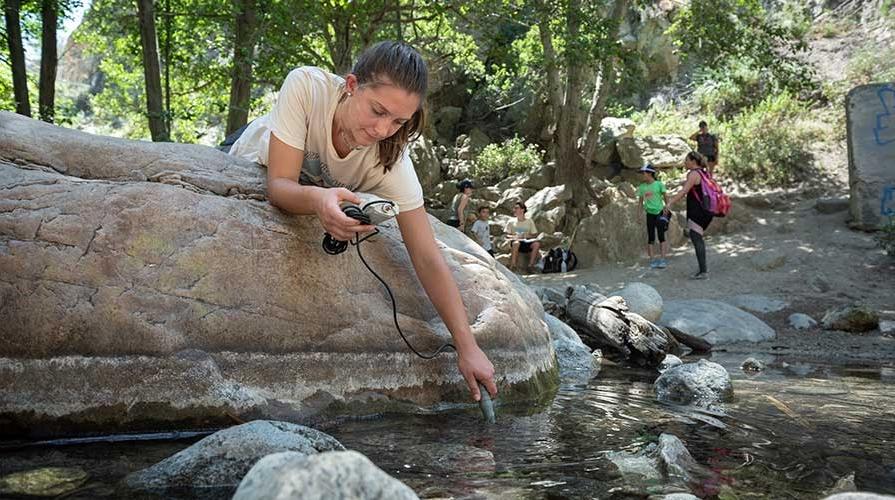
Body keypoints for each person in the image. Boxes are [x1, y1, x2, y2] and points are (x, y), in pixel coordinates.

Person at [223, 41, 496, 402]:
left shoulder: (393, 160)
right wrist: (320, 201)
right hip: (246, 152)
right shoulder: (307, 87)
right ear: (351, 85)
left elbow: (427, 257)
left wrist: (467, 347)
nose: (383, 129)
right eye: (377, 111)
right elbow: (279, 186)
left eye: (399, 121)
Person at [666, 151, 714, 279]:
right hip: (706, 209)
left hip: (697, 211)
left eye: (686, 160)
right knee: (696, 236)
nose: (684, 162)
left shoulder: (693, 174)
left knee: (697, 238)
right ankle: (702, 270)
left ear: (693, 161)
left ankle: (703, 272)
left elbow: (683, 191)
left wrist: (670, 202)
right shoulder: (704, 172)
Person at [636, 164, 668, 269]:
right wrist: (639, 215)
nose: (642, 175)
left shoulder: (659, 184)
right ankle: (652, 260)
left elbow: (666, 196)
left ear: (650, 173)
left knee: (661, 236)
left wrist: (666, 209)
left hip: (659, 213)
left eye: (643, 173)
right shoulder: (642, 187)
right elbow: (640, 202)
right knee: (651, 237)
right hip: (649, 214)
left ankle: (662, 259)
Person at [506, 201, 540, 272]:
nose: (514, 210)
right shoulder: (511, 221)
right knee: (516, 243)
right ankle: (513, 265)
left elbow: (535, 234)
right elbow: (507, 235)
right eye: (514, 208)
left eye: (516, 208)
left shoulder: (529, 221)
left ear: (522, 209)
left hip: (526, 241)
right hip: (516, 242)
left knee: (536, 244)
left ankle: (531, 266)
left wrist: (527, 236)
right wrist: (515, 237)